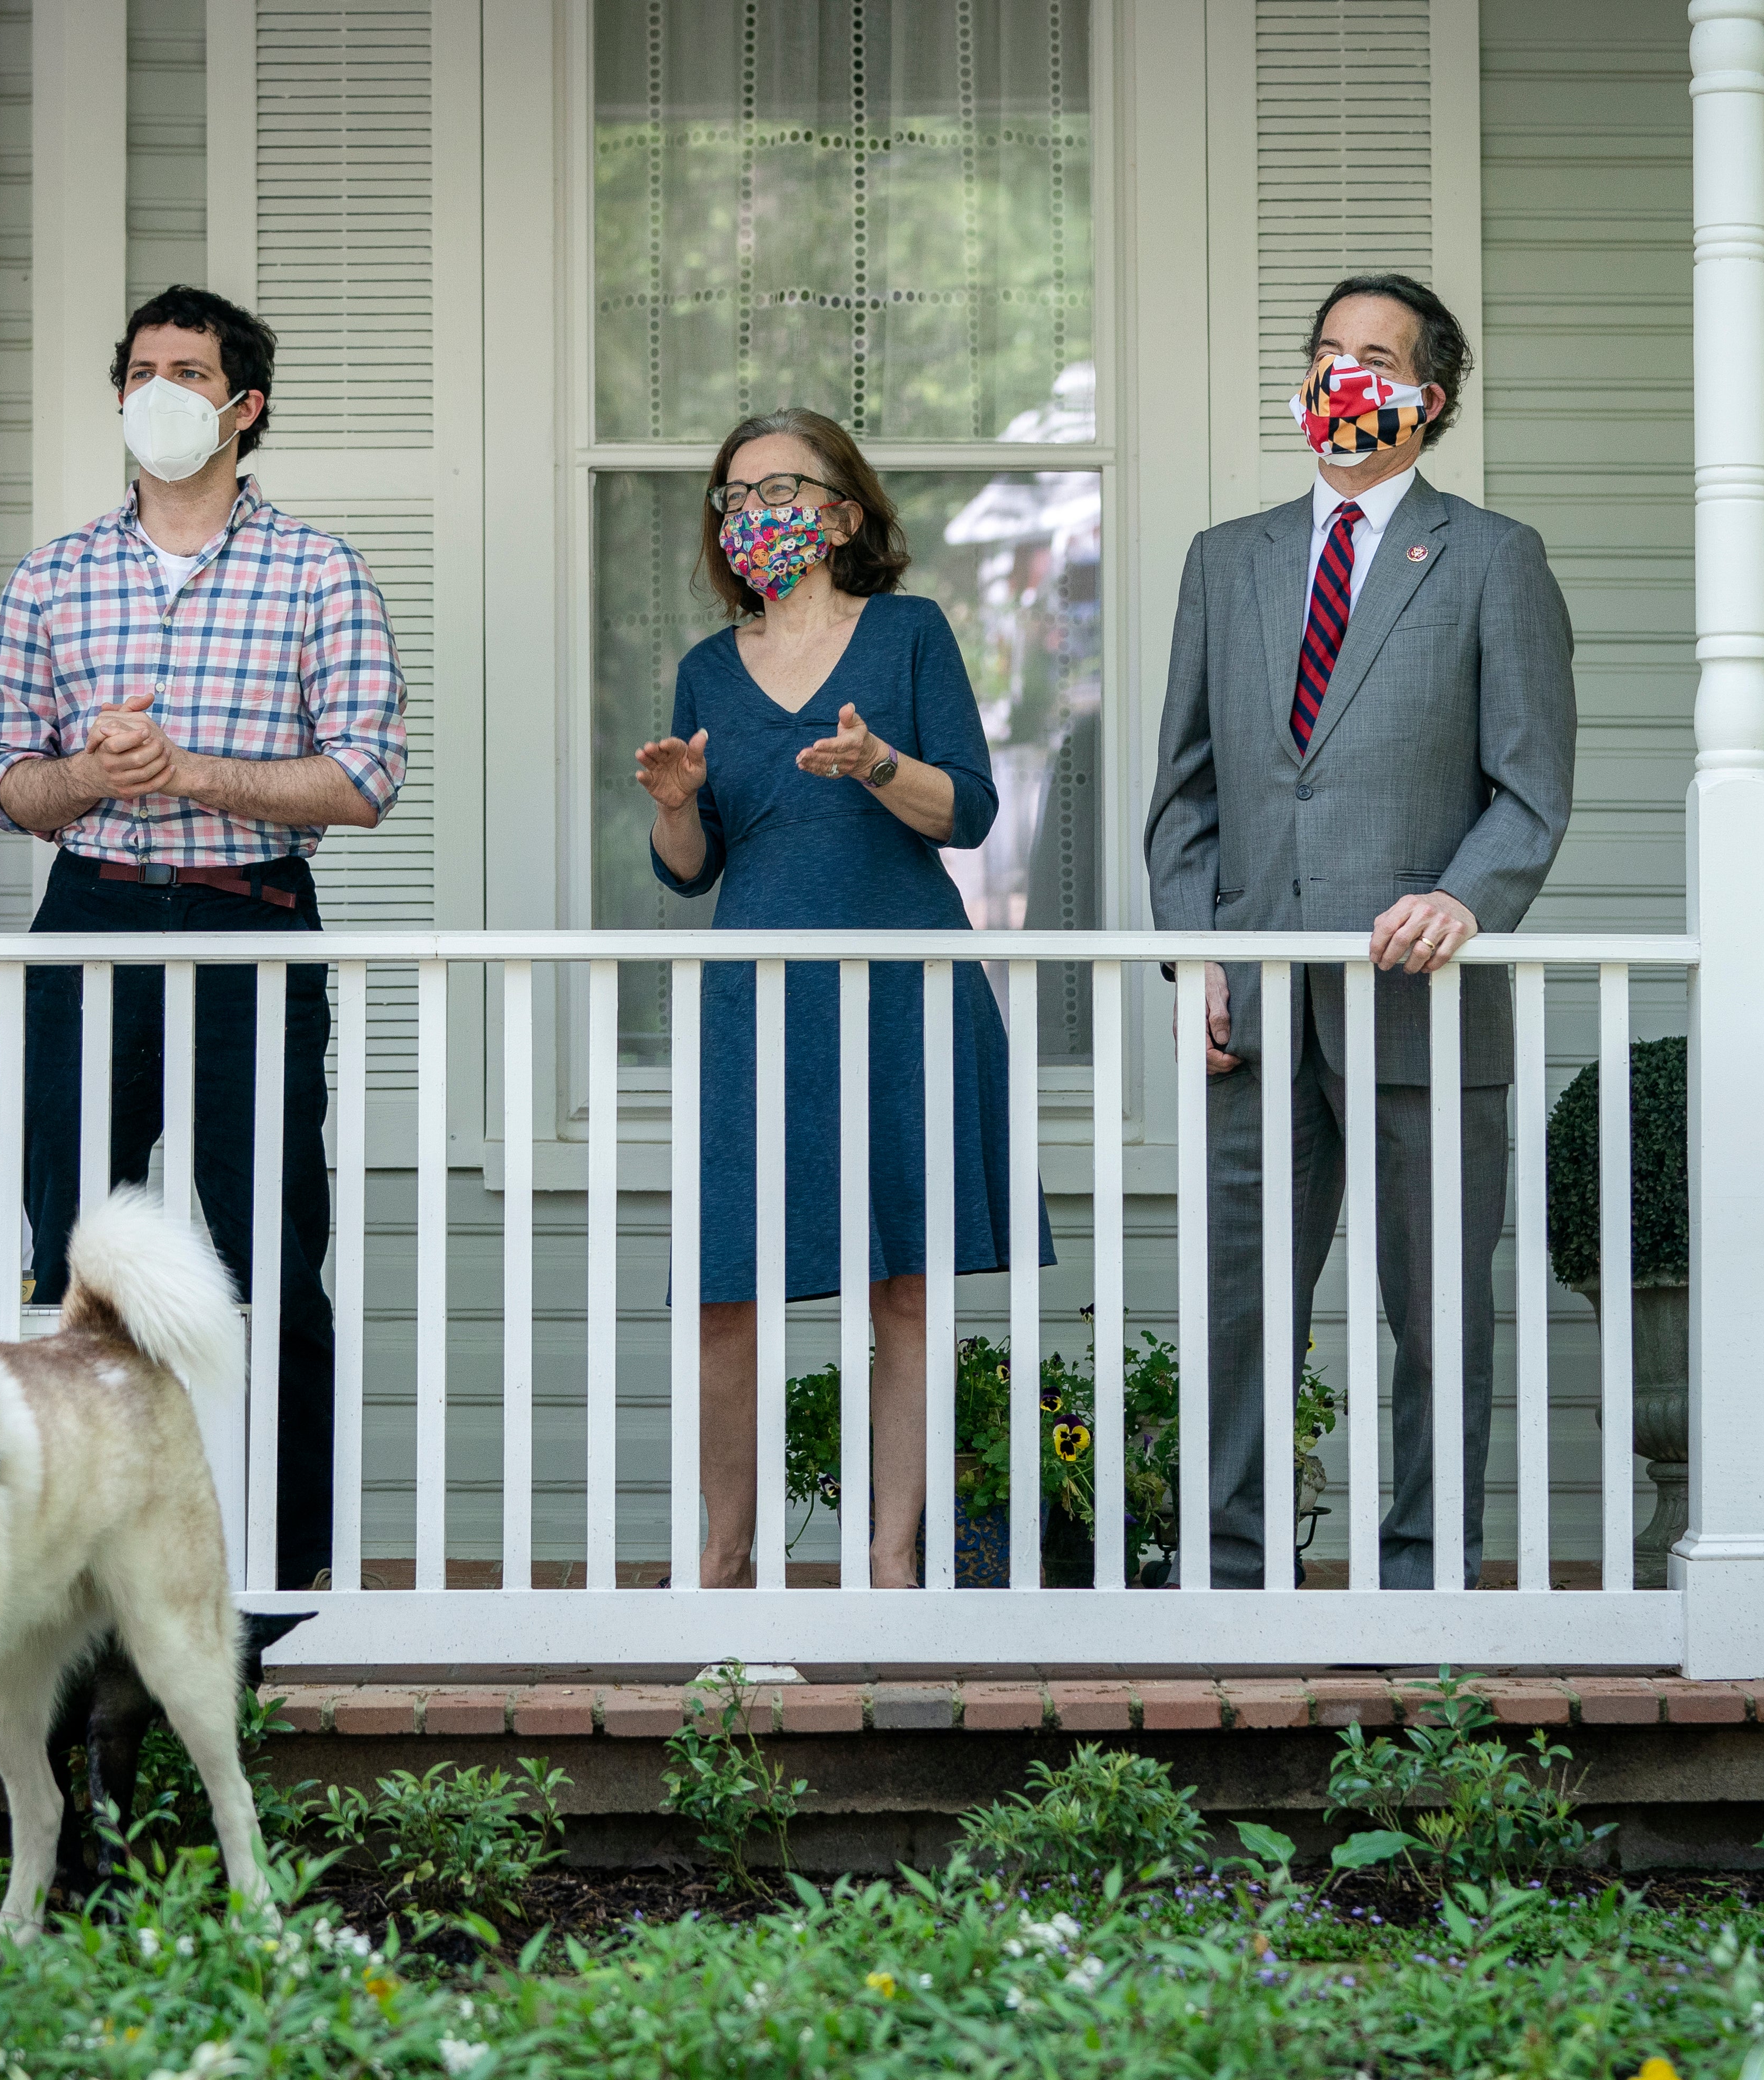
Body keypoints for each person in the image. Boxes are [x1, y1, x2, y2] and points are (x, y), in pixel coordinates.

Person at [1145, 273, 1576, 1591]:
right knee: (1235, 1303)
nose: (1342, 376)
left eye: (1372, 358)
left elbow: (1529, 785)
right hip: (1256, 1002)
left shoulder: (1493, 559)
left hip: (1423, 1004)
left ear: (1425, 400)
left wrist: (1468, 894)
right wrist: (1196, 959)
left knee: (1437, 1310)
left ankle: (1425, 1572)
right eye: (1327, 352)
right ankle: (1226, 1569)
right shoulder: (1229, 560)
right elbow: (1185, 793)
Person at [0, 284, 407, 1595]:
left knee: (270, 1254)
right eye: (142, 368)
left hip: (251, 925)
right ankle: (69, 1567)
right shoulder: (54, 574)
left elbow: (365, 776)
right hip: (90, 918)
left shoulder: (318, 571)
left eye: (189, 369)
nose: (160, 388)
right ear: (119, 392)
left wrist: (193, 772)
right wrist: (96, 781)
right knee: (67, 1250)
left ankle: (282, 1576)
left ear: (242, 406)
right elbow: (6, 778)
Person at [632, 408, 1050, 1590]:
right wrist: (674, 801)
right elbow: (692, 865)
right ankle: (723, 1557)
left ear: (846, 512)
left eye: (785, 488)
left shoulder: (908, 635)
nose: (758, 511)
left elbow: (967, 811)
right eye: (737, 495)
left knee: (905, 1288)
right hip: (758, 1004)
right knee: (730, 1289)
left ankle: (892, 1556)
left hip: (905, 990)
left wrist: (876, 763)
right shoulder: (709, 667)